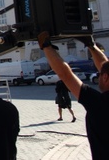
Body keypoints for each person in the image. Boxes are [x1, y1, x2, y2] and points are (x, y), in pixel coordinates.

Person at [38, 31, 109, 160]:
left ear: (105, 77)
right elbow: (106, 68)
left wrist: (46, 46)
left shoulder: (100, 104)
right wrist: (91, 45)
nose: (98, 77)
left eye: (99, 75)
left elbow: (66, 75)